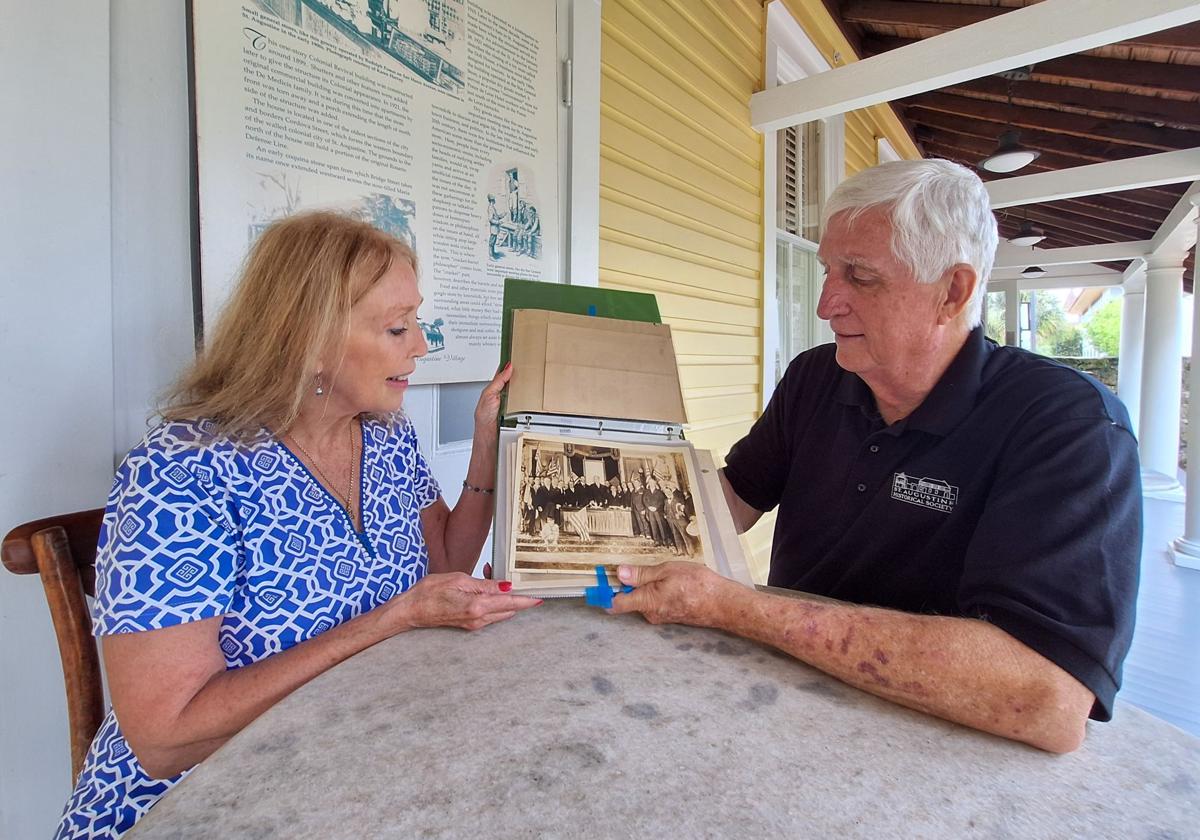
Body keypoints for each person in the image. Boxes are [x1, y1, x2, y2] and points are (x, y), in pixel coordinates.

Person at [611, 159, 1141, 754]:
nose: (825, 304)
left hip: (937, 751)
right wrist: (605, 488)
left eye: (860, 277)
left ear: (953, 292)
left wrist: (737, 609)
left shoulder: (1068, 425)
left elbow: (1046, 696)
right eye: (828, 271)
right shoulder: (816, 376)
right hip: (769, 705)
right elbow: (734, 499)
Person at [56, 211, 541, 838]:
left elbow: (444, 562)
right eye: (398, 328)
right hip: (197, 801)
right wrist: (391, 620)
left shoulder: (386, 436)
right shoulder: (182, 471)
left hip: (347, 758)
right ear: (307, 339)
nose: (422, 345)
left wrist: (487, 438)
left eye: (415, 321)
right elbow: (165, 738)